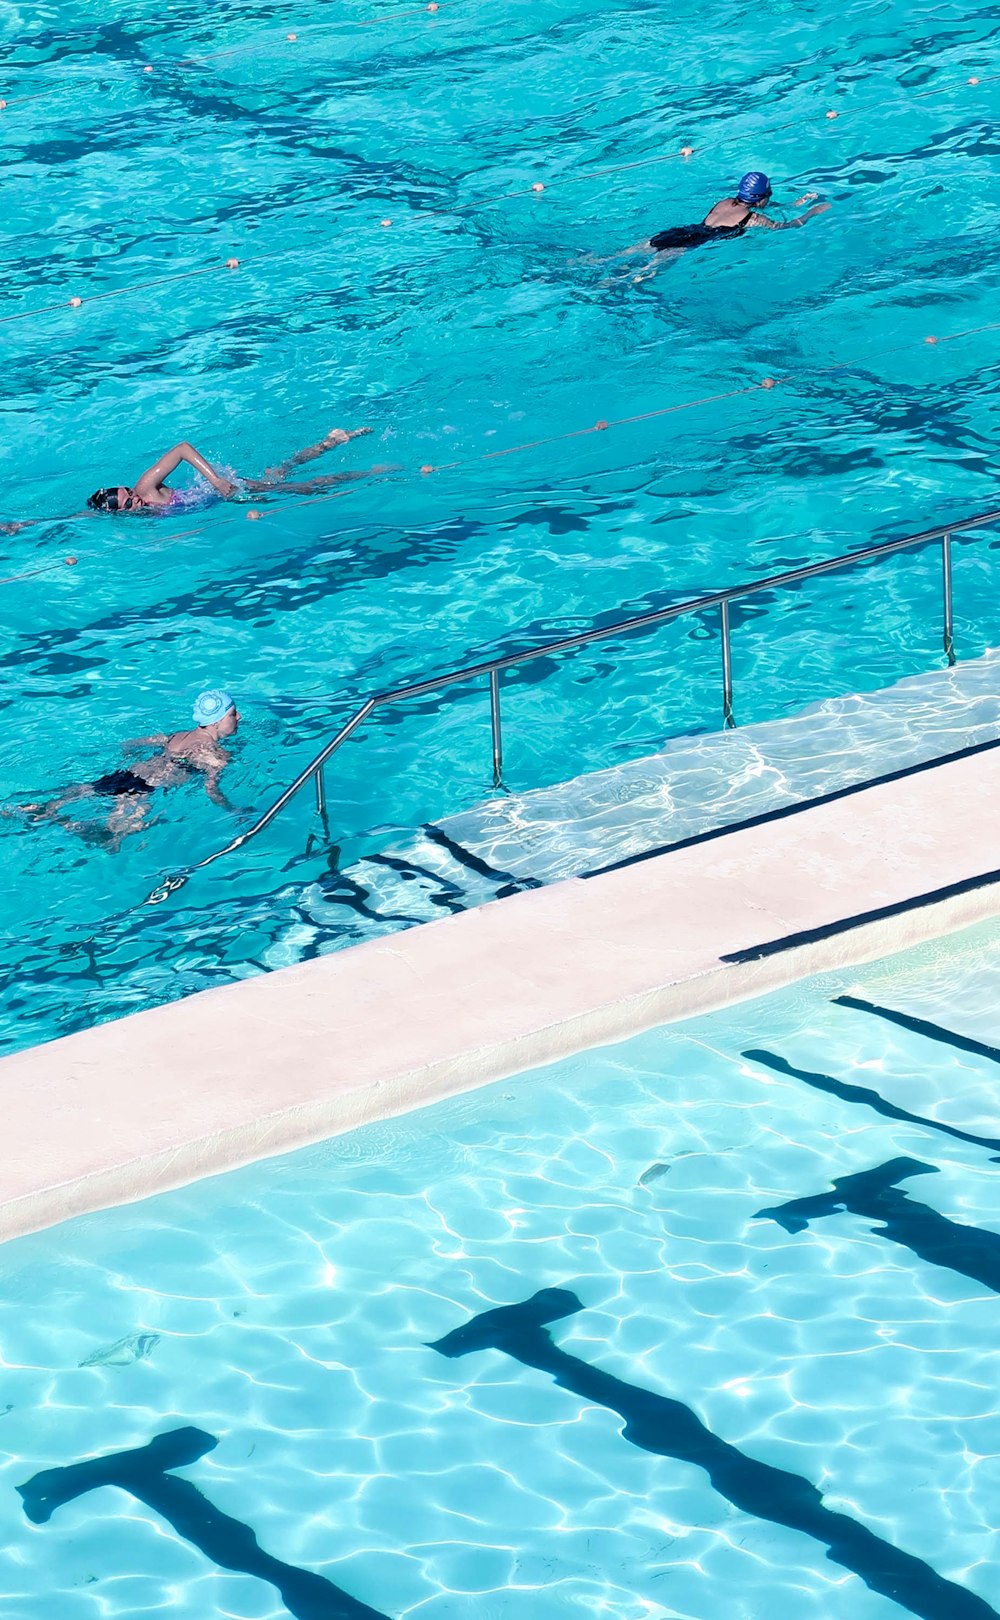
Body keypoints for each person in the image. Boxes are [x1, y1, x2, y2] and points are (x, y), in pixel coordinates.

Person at [10, 689, 241, 851]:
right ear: (216, 722)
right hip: (142, 789)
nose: (239, 717)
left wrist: (128, 755)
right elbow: (211, 790)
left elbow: (134, 743)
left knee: (76, 793)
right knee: (111, 840)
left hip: (125, 775)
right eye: (233, 713)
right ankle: (58, 821)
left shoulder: (178, 736)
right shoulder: (216, 755)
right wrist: (232, 809)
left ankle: (38, 808)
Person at [85, 426, 376, 515]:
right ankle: (329, 442)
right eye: (129, 501)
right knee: (281, 475)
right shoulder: (139, 516)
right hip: (224, 498)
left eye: (129, 493)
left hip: (224, 490)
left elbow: (182, 447)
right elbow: (86, 516)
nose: (135, 497)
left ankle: (370, 473)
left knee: (303, 488)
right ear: (120, 513)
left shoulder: (146, 486)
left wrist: (217, 481)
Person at [646, 171, 830, 255]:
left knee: (635, 250)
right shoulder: (754, 218)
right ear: (760, 198)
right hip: (690, 243)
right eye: (769, 194)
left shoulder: (725, 202)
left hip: (679, 231)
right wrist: (811, 212)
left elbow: (768, 204)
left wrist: (799, 201)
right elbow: (785, 227)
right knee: (642, 273)